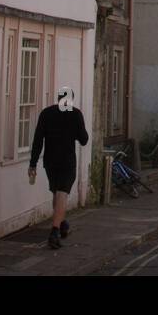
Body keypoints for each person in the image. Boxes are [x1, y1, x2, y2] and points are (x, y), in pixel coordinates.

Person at [29, 88, 89, 250]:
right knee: (62, 193)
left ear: (58, 98)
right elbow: (84, 139)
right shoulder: (75, 114)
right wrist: (75, 130)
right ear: (71, 100)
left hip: (50, 161)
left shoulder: (46, 113)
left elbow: (38, 139)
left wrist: (33, 163)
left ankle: (62, 223)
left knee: (57, 193)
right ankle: (54, 231)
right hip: (67, 161)